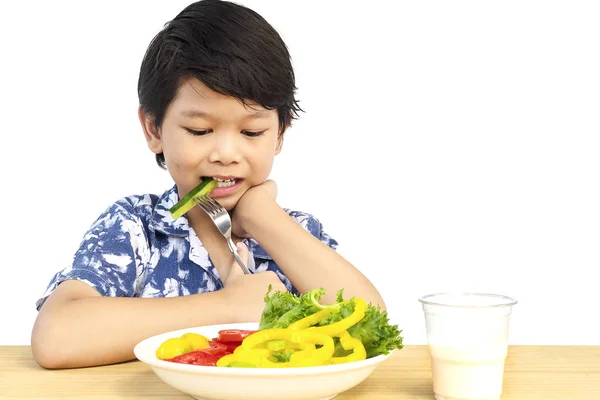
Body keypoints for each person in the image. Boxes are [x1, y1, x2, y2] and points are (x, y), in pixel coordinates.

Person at [31, 0, 385, 369]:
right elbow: (57, 337)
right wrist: (228, 307)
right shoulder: (135, 227)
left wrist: (263, 216)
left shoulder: (296, 232)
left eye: (252, 131)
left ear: (280, 134)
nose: (226, 153)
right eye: (200, 130)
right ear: (154, 129)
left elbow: (369, 327)